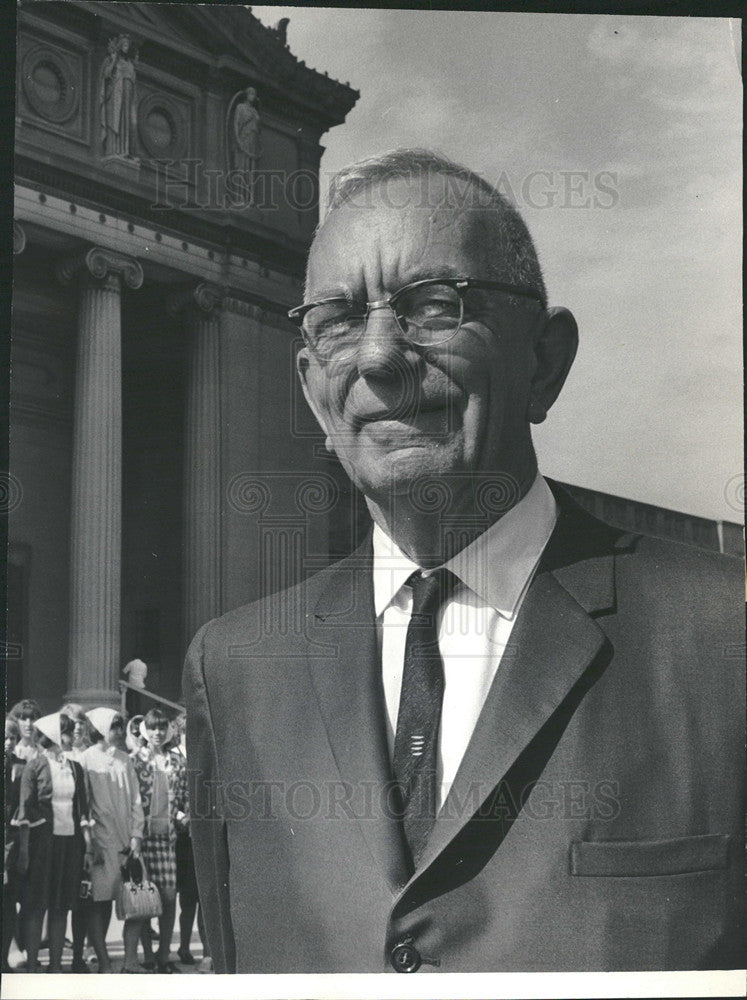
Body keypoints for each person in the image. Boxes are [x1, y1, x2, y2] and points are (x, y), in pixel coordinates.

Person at [184, 149, 743, 973]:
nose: (377, 359)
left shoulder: (722, 635)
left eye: (433, 305)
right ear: (311, 388)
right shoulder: (233, 671)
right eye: (338, 320)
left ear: (543, 362)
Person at [14, 712, 92, 973]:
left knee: (62, 905)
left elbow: (82, 808)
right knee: (37, 905)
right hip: (41, 847)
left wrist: (87, 847)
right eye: (68, 732)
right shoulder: (33, 767)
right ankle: (34, 964)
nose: (72, 737)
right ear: (56, 736)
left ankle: (56, 966)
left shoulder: (75, 768)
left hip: (69, 845)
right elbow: (24, 811)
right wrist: (24, 852)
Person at [81, 708, 145, 974]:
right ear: (100, 728)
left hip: (127, 842)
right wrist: (90, 841)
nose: (119, 732)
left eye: (121, 727)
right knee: (100, 902)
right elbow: (84, 805)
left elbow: (136, 801)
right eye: (114, 726)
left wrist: (136, 836)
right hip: (100, 841)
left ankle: (130, 961)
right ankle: (105, 962)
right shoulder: (85, 760)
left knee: (138, 903)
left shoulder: (125, 760)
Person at [130, 709, 188, 974]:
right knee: (143, 900)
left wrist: (182, 815)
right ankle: (148, 954)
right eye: (152, 728)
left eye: (162, 728)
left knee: (167, 898)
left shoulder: (178, 762)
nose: (157, 733)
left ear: (168, 731)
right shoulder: (135, 761)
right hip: (142, 840)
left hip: (167, 840)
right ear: (145, 731)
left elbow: (184, 799)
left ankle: (164, 955)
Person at [60, 702, 93, 972]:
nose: (77, 727)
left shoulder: (88, 756)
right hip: (58, 835)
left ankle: (80, 955)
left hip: (83, 834)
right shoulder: (54, 756)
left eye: (81, 722)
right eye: (71, 723)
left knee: (83, 899)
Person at [3, 718, 24, 972]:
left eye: (13, 738)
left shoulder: (19, 766)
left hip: (11, 843)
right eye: (6, 737)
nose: (9, 742)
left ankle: (4, 956)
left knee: (9, 903)